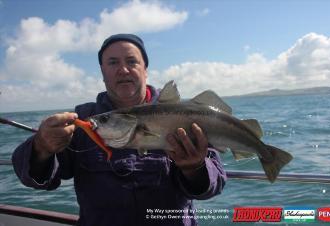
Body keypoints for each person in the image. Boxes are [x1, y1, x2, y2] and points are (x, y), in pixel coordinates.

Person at [12, 34, 226, 226]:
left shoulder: (184, 115)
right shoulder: (83, 120)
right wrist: (41, 147)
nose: (123, 69)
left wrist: (195, 168)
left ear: (145, 70)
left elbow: (214, 183)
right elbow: (41, 180)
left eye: (132, 61)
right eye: (113, 62)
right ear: (102, 72)